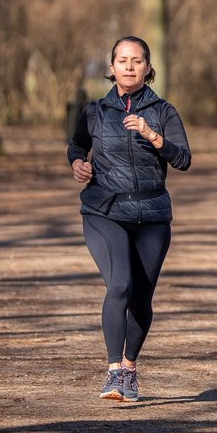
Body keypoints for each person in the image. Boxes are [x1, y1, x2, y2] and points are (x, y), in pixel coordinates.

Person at [67, 35, 191, 402]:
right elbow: (76, 144)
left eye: (137, 61)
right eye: (122, 60)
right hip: (105, 210)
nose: (129, 66)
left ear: (148, 68)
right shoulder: (94, 111)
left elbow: (183, 159)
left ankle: (129, 368)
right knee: (120, 284)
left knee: (140, 298)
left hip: (152, 216)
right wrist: (77, 162)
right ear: (111, 67)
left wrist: (153, 136)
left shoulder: (164, 111)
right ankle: (112, 372)